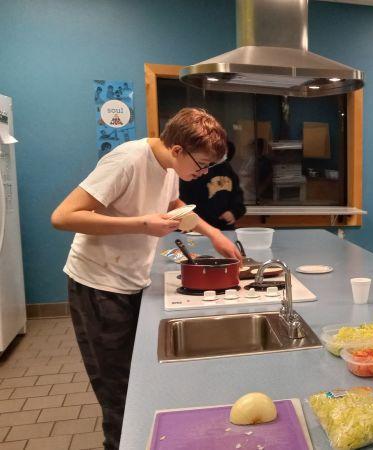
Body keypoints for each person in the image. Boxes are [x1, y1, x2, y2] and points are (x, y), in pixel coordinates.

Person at [51, 107, 241, 450]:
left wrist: (213, 233)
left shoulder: (169, 165)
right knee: (118, 392)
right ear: (178, 149)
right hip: (98, 287)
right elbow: (64, 216)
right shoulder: (126, 160)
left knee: (140, 382)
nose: (204, 173)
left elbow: (172, 202)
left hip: (133, 281)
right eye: (201, 165)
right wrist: (143, 224)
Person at [179, 140, 246, 230]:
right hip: (197, 229)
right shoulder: (194, 169)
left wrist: (234, 212)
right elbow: (183, 200)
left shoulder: (228, 170)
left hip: (224, 228)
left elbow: (237, 196)